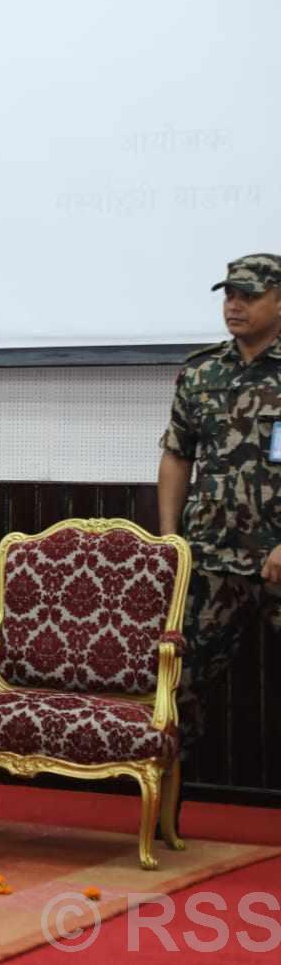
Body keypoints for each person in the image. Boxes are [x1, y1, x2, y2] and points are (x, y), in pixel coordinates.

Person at [158, 252, 281, 755]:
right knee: (177, 682)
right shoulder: (201, 373)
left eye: (249, 295)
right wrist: (171, 540)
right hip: (210, 558)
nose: (235, 305)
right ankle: (163, 807)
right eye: (229, 294)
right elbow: (176, 456)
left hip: (277, 556)